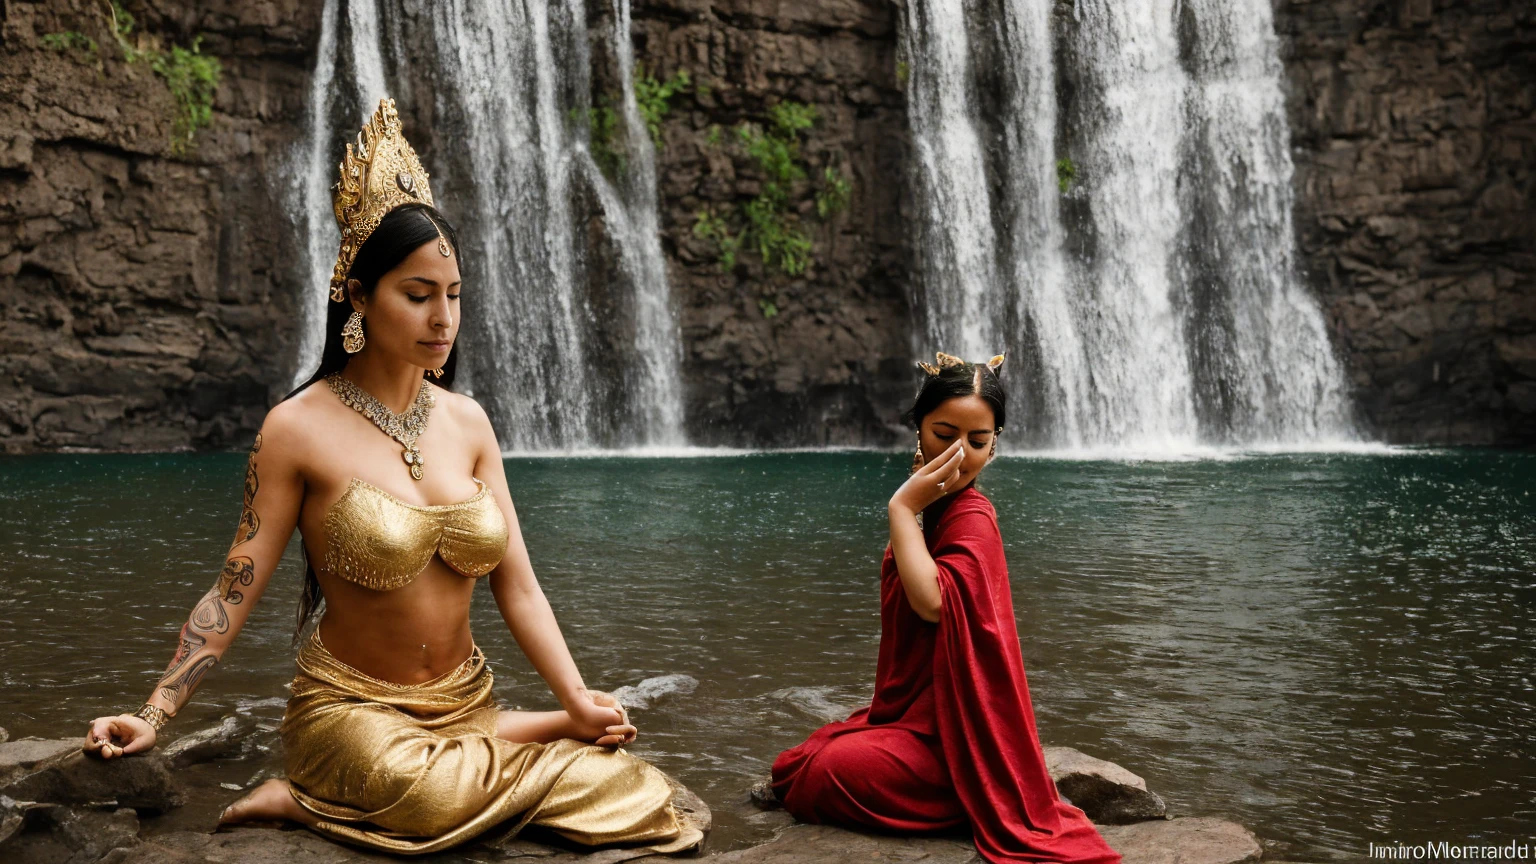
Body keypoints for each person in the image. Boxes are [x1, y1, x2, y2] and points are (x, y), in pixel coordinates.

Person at [79, 98, 702, 857]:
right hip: (352, 715)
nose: (443, 318)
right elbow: (233, 586)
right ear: (359, 295)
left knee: (640, 790)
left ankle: (533, 732)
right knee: (435, 794)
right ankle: (306, 798)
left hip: (465, 707)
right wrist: (156, 713)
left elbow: (521, 586)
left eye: (455, 295)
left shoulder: (468, 421)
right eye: (417, 295)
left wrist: (575, 697)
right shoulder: (297, 428)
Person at [770, 352, 1121, 864]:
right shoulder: (931, 508)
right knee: (800, 763)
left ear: (994, 443)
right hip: (919, 718)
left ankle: (973, 795)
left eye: (977, 442)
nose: (959, 454)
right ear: (917, 428)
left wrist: (901, 506)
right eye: (943, 434)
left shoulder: (969, 516)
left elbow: (933, 604)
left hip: (960, 736)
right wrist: (912, 509)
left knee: (823, 773)